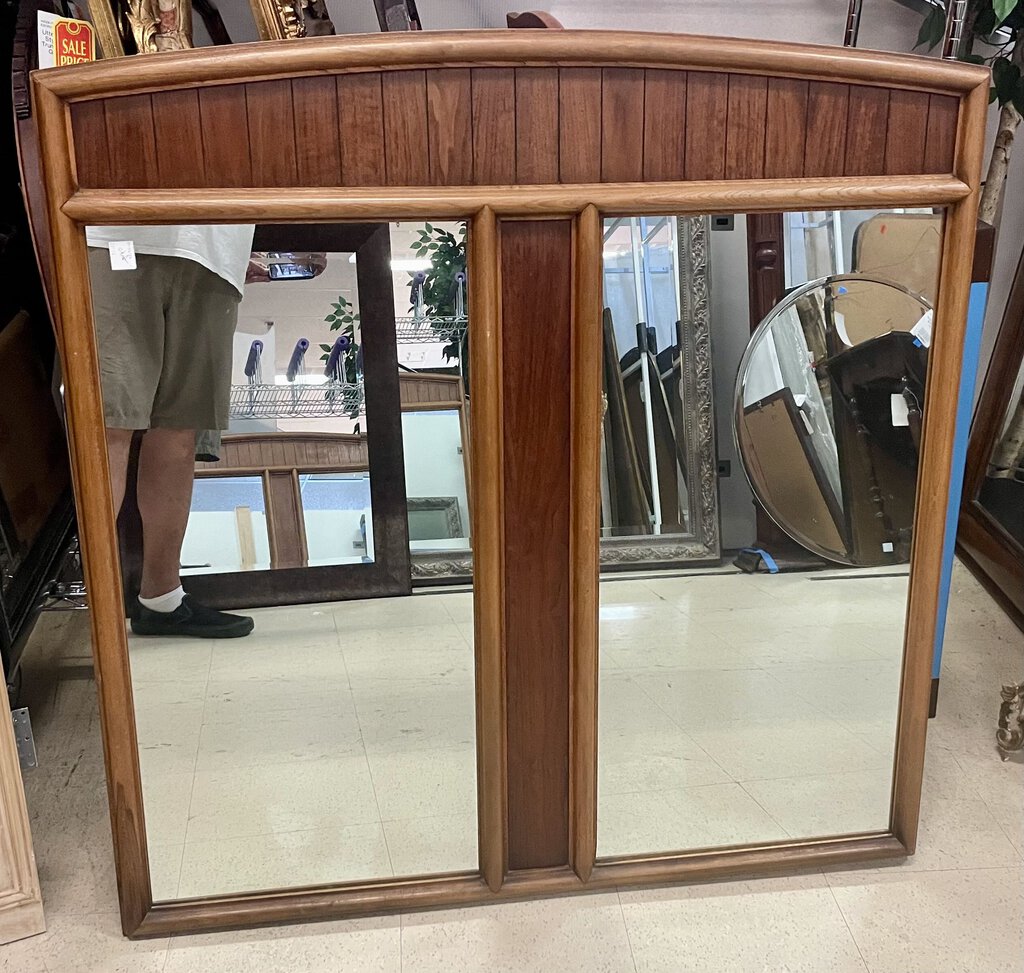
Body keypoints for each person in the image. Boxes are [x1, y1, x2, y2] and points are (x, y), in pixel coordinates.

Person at [86, 224, 256, 638]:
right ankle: (87, 606)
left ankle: (162, 598)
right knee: (108, 423)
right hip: (113, 234)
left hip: (216, 253)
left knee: (180, 433)